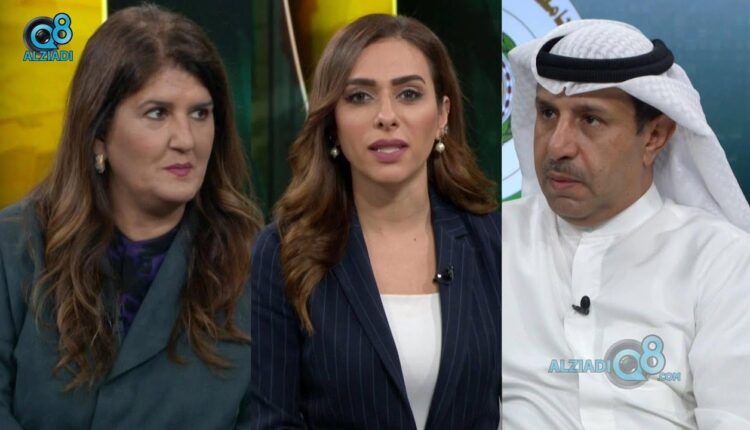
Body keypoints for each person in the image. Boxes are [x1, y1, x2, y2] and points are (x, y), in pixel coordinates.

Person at [0, 5, 262, 429]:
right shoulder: (14, 247)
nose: (186, 140)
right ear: (99, 133)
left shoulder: (255, 267)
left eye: (200, 113)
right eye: (158, 113)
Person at [248, 14, 500, 429]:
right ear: (331, 121)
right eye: (360, 97)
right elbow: (271, 419)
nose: (386, 116)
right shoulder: (282, 253)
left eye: (408, 94)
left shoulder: (495, 240)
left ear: (442, 114)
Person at [502, 19, 750, 429]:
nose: (557, 145)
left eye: (590, 119)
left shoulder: (722, 260)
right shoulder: (491, 241)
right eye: (547, 113)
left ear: (655, 136)